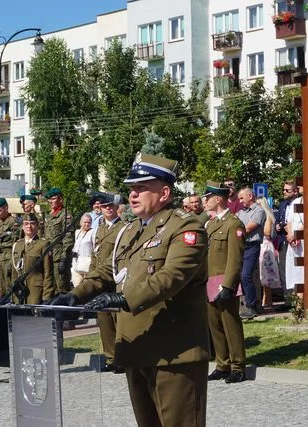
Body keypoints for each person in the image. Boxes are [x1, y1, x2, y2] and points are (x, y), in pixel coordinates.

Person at [51, 152, 210, 427]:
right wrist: (74, 295)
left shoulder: (186, 227)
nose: (132, 195)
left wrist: (124, 298)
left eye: (140, 188)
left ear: (164, 192)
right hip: (136, 349)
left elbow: (172, 276)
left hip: (174, 353)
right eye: (131, 189)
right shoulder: (129, 231)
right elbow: (106, 273)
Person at [203, 181, 247, 384]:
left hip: (224, 280)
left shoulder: (233, 223)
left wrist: (228, 284)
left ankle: (237, 366)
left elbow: (235, 258)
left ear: (217, 199)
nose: (204, 201)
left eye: (207, 197)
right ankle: (222, 364)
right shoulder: (210, 224)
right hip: (210, 280)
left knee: (231, 325)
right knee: (215, 326)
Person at [82, 191, 124, 373]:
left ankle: (122, 358)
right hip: (99, 279)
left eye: (110, 206)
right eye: (104, 207)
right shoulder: (99, 228)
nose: (107, 209)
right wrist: (90, 276)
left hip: (114, 278)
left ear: (116, 208)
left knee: (118, 320)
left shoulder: (123, 227)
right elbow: (95, 254)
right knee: (104, 321)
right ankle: (111, 357)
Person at [11, 213, 55, 304]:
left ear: (37, 226)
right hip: (19, 291)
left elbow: (48, 272)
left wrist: (47, 295)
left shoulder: (43, 244)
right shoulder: (17, 245)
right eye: (26, 224)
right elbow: (14, 271)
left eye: (32, 223)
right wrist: (13, 289)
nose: (29, 226)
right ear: (22, 227)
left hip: (35, 291)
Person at [236, 187, 266, 319]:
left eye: (242, 198)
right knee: (240, 276)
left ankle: (252, 306)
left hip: (251, 246)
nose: (240, 201)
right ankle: (245, 306)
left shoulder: (259, 211)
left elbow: (247, 228)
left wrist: (237, 230)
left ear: (250, 196)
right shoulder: (240, 213)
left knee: (246, 275)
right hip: (241, 246)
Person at [44, 188, 74, 294]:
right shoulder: (49, 215)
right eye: (49, 199)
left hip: (59, 256)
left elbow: (68, 238)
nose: (50, 201)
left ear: (60, 199)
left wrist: (64, 258)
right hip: (49, 256)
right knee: (49, 286)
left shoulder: (65, 215)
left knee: (61, 287)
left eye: (53, 199)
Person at [276, 180, 298, 301]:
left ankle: (297, 299)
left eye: (287, 190)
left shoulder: (299, 203)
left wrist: (291, 229)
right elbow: (278, 219)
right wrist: (277, 226)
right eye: (283, 190)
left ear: (295, 191)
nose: (284, 192)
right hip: (283, 239)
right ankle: (288, 299)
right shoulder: (283, 204)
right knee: (284, 270)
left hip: (296, 239)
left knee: (296, 269)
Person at [0, 197, 20, 296]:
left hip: (9, 256)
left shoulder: (14, 222)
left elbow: (16, 241)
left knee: (10, 284)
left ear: (6, 208)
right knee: (1, 286)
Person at [257, 196, 281, 307]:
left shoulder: (267, 216)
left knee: (266, 274)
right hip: (263, 245)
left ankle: (266, 299)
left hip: (265, 245)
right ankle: (267, 299)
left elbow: (267, 232)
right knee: (263, 274)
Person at [71, 213, 95, 287]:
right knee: (76, 287)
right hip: (76, 264)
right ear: (80, 222)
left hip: (86, 265)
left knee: (85, 288)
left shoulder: (93, 232)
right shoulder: (77, 232)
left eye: (89, 222)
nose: (87, 224)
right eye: (85, 222)